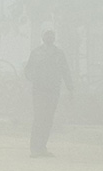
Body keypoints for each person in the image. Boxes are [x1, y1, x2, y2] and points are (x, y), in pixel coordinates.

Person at [24, 29, 73, 157]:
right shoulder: (36, 53)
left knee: (48, 119)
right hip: (39, 91)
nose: (49, 37)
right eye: (47, 34)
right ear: (43, 37)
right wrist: (34, 77)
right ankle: (34, 148)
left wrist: (70, 87)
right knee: (39, 118)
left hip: (53, 91)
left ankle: (42, 147)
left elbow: (65, 71)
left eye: (52, 35)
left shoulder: (59, 54)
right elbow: (28, 70)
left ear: (54, 37)